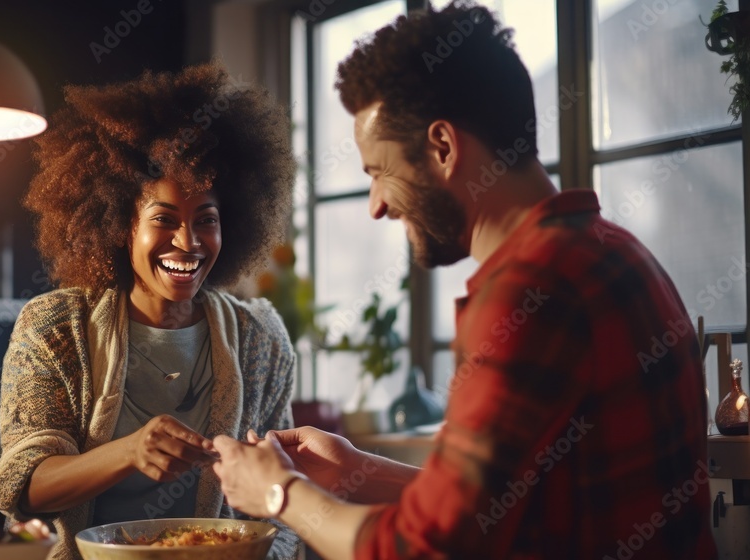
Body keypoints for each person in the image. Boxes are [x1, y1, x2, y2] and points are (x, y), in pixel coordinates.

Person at [211, 2, 718, 559]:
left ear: (444, 148)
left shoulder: (527, 291)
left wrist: (279, 494)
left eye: (380, 172)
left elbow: (424, 548)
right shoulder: (616, 250)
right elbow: (508, 508)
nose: (377, 205)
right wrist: (355, 472)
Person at [0, 62, 300, 560]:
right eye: (164, 219)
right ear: (121, 225)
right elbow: (21, 488)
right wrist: (130, 451)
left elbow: (278, 511)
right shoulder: (55, 328)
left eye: (207, 220)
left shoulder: (260, 338)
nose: (188, 242)